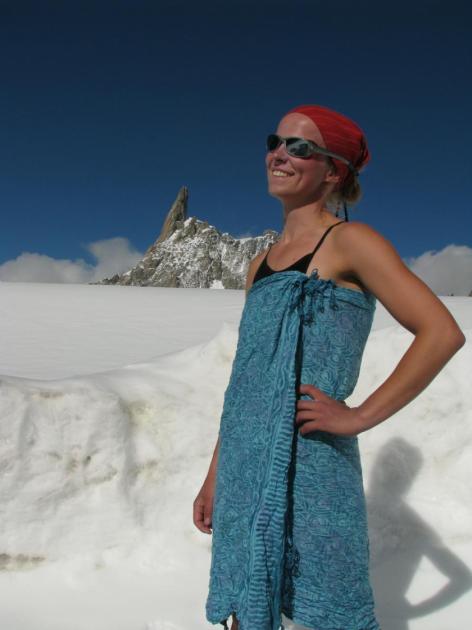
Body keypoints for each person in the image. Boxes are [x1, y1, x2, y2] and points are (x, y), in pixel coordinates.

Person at [193, 104, 466, 630]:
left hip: (315, 463)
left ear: (334, 170)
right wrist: (214, 478)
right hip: (245, 466)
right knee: (248, 600)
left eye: (299, 147)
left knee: (326, 603)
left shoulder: (351, 243)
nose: (279, 154)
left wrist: (358, 416)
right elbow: (247, 382)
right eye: (275, 142)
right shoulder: (259, 264)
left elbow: (441, 333)